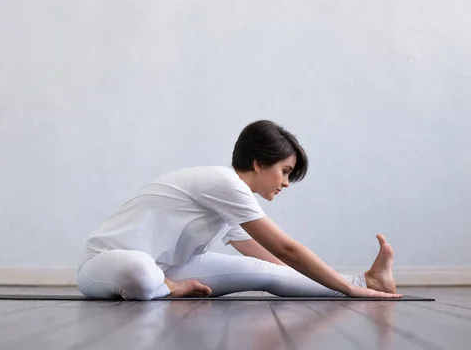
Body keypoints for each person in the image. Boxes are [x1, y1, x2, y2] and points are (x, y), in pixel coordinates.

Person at [76, 120, 401, 300]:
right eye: (285, 171)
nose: (286, 183)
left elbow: (273, 262)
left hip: (169, 268)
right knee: (140, 271)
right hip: (106, 264)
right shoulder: (224, 183)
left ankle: (370, 281)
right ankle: (170, 289)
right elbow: (286, 249)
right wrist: (347, 291)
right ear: (259, 164)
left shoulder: (230, 198)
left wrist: (355, 286)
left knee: (265, 273)